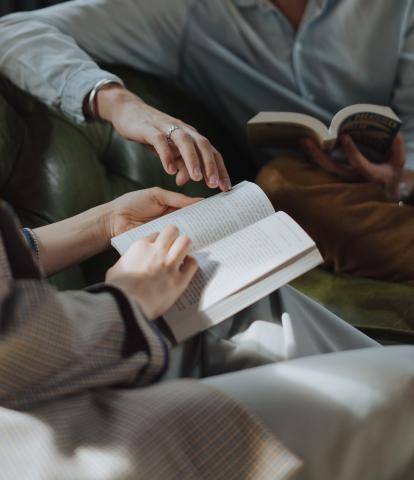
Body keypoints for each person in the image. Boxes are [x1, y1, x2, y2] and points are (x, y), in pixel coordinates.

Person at [1, 190, 413, 480]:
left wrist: (105, 220)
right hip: (39, 436)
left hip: (46, 361)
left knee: (234, 299)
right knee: (401, 389)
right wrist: (125, 299)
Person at [0, 0, 414, 282]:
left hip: (397, 187)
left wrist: (400, 176)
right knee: (283, 181)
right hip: (310, 196)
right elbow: (15, 29)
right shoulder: (188, 10)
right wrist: (122, 105)